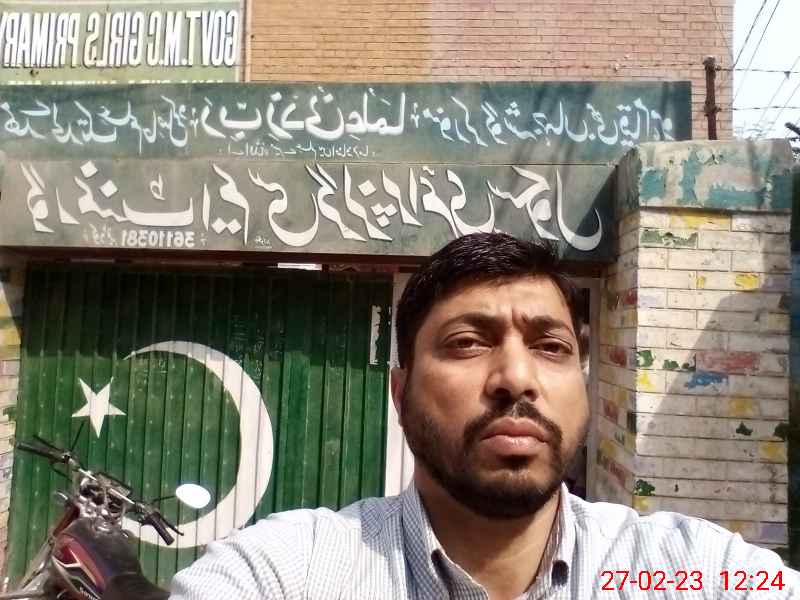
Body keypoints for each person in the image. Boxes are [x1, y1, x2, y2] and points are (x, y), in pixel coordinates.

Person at [171, 233, 798, 599]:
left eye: (551, 346)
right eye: (468, 343)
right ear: (400, 393)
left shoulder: (688, 572)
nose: (516, 379)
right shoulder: (291, 573)